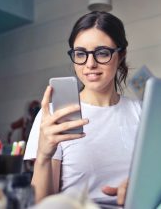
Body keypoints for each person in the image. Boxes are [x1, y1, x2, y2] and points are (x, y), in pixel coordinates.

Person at [24, 11, 141, 205]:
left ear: (121, 55)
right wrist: (44, 156)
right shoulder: (54, 116)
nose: (90, 64)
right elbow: (43, 204)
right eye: (80, 54)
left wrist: (140, 188)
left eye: (102, 53)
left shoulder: (142, 112)